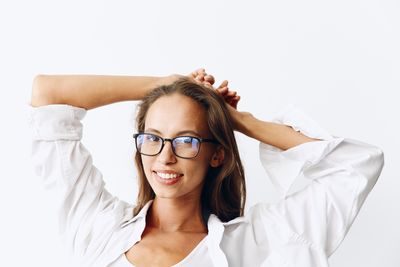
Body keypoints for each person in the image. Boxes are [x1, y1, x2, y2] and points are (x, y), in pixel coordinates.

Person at [29, 69, 384, 267]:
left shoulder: (260, 243)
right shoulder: (97, 225)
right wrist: (166, 84)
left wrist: (239, 120)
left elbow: (354, 164)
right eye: (153, 138)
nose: (165, 157)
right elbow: (49, 94)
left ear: (217, 154)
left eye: (186, 141)